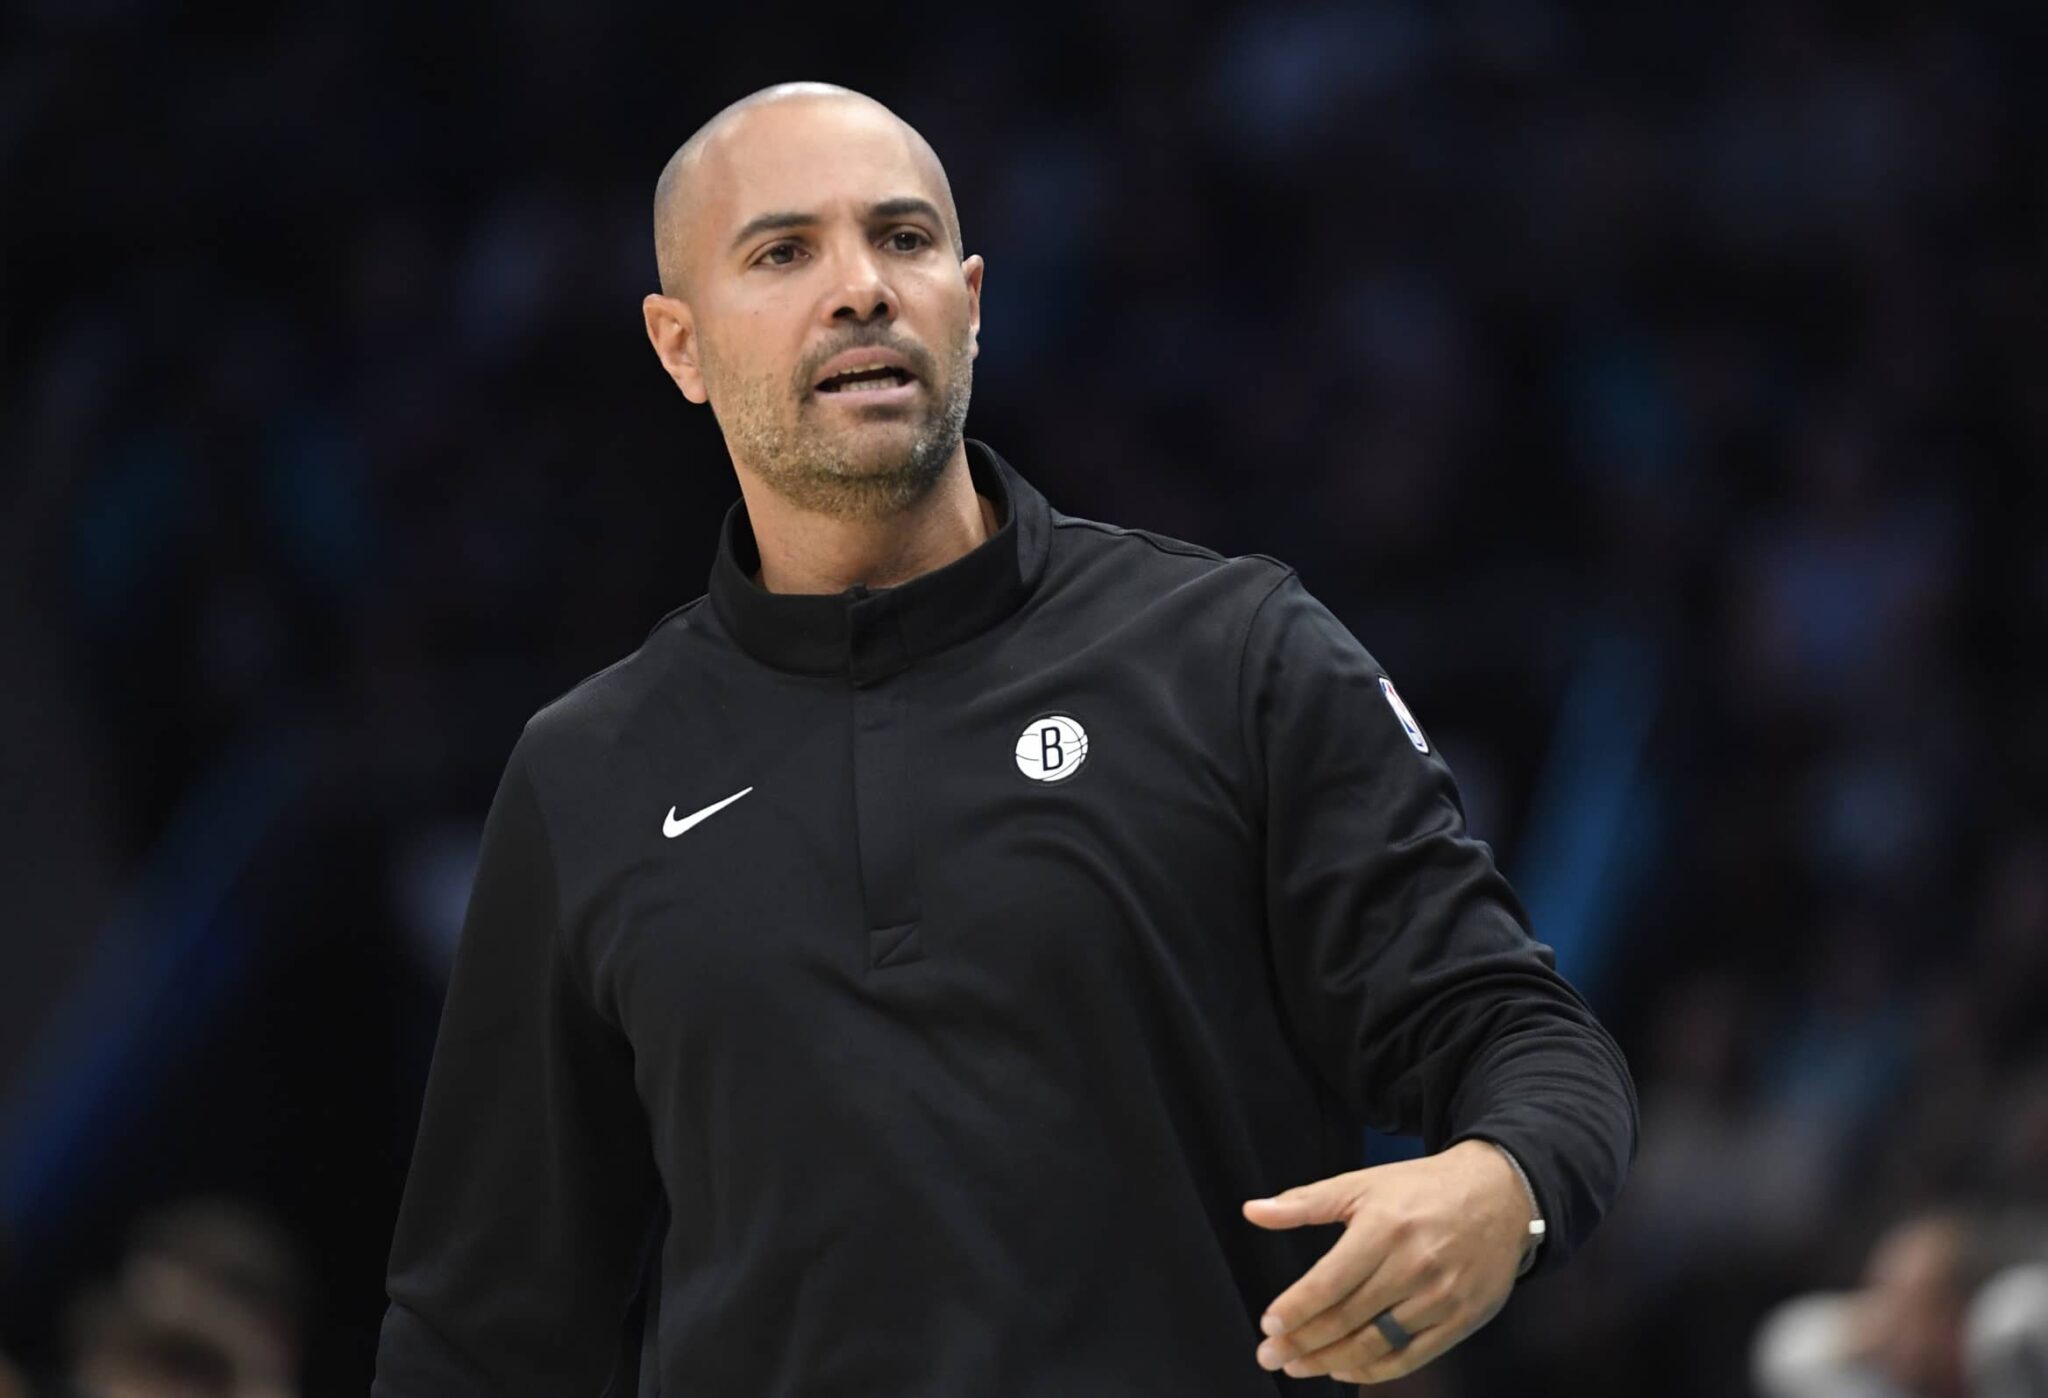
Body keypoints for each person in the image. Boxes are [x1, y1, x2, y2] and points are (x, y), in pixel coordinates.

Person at [371, 81, 1637, 1396]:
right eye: (784, 252)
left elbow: (1525, 1036)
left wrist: (1504, 1187)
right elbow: (479, 1329)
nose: (862, 288)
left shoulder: (1230, 654)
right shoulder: (588, 772)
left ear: (970, 303)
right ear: (678, 346)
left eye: (904, 238)